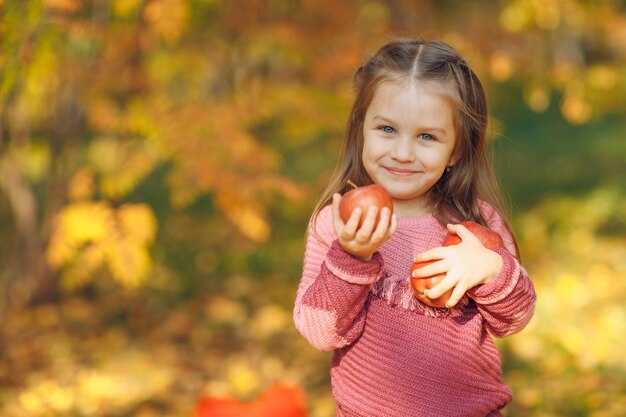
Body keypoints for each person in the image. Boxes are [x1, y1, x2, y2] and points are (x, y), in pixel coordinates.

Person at [293, 38, 536, 417]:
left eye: (426, 136)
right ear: (362, 129)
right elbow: (320, 332)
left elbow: (515, 319)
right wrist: (352, 256)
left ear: (455, 149)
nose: (403, 152)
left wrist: (491, 269)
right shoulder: (338, 222)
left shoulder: (476, 224)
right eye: (387, 129)